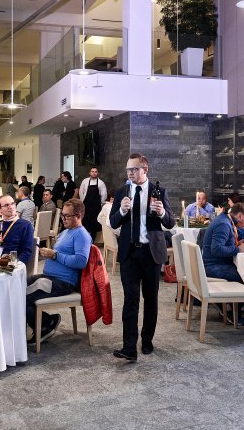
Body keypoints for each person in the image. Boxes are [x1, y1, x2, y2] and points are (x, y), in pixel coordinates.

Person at [109, 153, 174, 361]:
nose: (130, 173)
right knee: (130, 299)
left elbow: (170, 222)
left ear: (145, 170)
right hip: (129, 253)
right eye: (128, 169)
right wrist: (121, 210)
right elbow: (113, 222)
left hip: (151, 253)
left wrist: (162, 212)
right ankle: (129, 347)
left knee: (151, 299)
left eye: (134, 169)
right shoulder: (122, 192)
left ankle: (147, 340)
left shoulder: (159, 191)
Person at [27, 199, 91, 344]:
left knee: (22, 296)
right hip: (51, 277)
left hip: (63, 282)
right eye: (62, 215)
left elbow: (81, 261)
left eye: (67, 216)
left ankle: (45, 325)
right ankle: (46, 321)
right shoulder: (66, 232)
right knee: (19, 286)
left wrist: (55, 255)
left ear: (78, 216)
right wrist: (50, 253)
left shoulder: (81, 235)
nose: (63, 218)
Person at [201, 202, 244, 283]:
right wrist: (238, 249)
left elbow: (222, 244)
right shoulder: (223, 224)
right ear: (240, 216)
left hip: (217, 264)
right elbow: (216, 249)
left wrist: (237, 244)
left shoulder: (225, 219)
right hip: (213, 267)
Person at [0, 194, 35, 263]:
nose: (10, 207)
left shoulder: (25, 225)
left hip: (12, 264)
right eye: (6, 205)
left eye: (12, 204)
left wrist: (12, 262)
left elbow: (27, 252)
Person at [79, 167, 107, 240]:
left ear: (97, 173)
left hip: (96, 208)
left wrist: (100, 204)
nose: (94, 173)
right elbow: (81, 192)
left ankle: (92, 241)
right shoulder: (85, 181)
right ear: (90, 173)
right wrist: (83, 201)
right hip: (86, 207)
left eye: (95, 171)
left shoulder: (101, 183)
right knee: (85, 223)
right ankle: (85, 240)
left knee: (94, 226)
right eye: (92, 171)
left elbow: (104, 195)